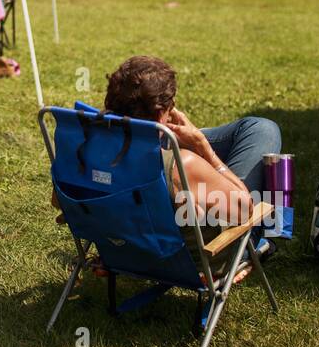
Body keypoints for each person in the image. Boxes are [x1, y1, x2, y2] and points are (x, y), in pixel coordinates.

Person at [102, 55, 282, 226]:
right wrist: (202, 148)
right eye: (171, 105)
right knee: (266, 132)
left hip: (123, 250)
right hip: (209, 251)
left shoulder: (94, 150)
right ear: (159, 114)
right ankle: (272, 234)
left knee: (258, 128)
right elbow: (244, 211)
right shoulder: (182, 165)